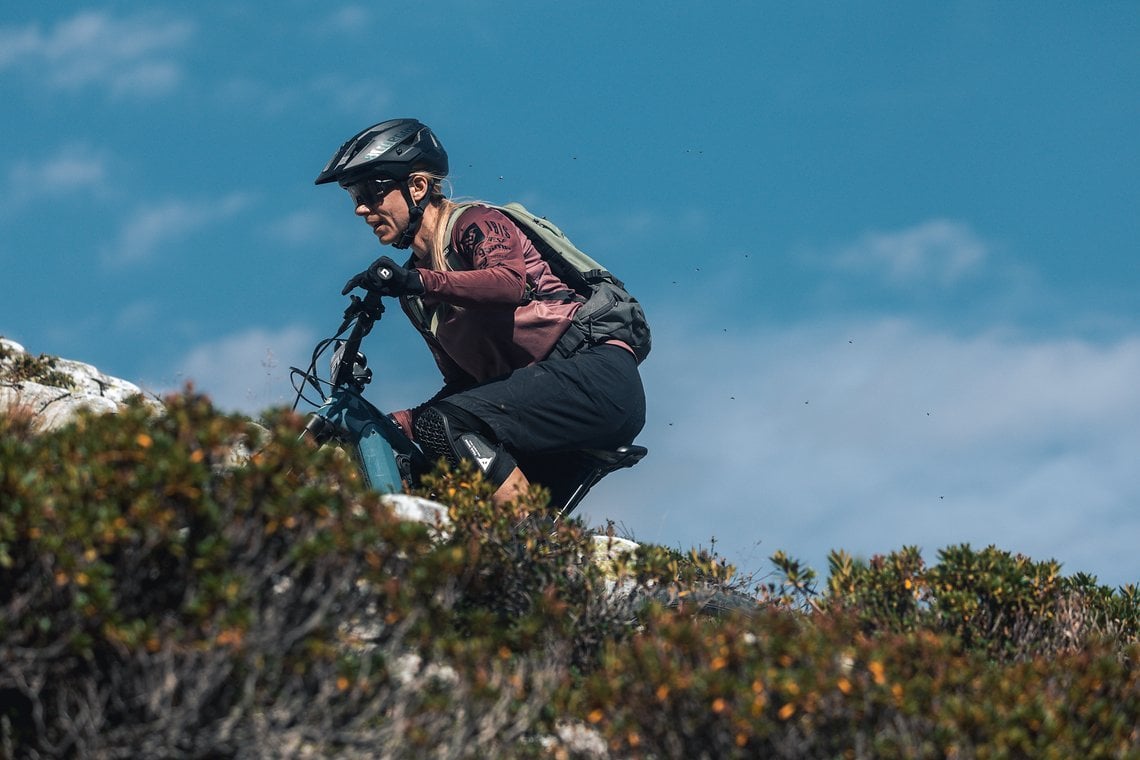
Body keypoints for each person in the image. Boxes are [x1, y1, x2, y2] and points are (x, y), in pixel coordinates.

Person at [315, 118, 646, 509]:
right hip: (537, 402)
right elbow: (464, 385)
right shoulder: (417, 298)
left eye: (372, 190)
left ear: (418, 186)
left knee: (443, 425)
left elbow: (508, 282)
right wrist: (400, 422)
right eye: (354, 196)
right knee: (430, 468)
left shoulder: (475, 223)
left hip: (594, 376)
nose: (361, 208)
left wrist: (416, 281)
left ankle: (530, 540)